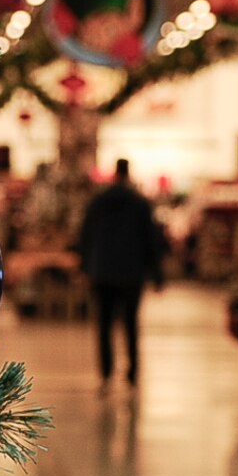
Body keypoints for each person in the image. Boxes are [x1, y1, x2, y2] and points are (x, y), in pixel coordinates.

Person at [74, 159, 167, 390]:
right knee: (130, 323)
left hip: (102, 270)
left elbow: (85, 235)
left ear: (114, 174)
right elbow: (151, 239)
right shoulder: (139, 202)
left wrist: (85, 266)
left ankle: (106, 372)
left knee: (103, 325)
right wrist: (157, 274)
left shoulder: (98, 201)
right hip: (131, 272)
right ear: (128, 174)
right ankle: (132, 372)